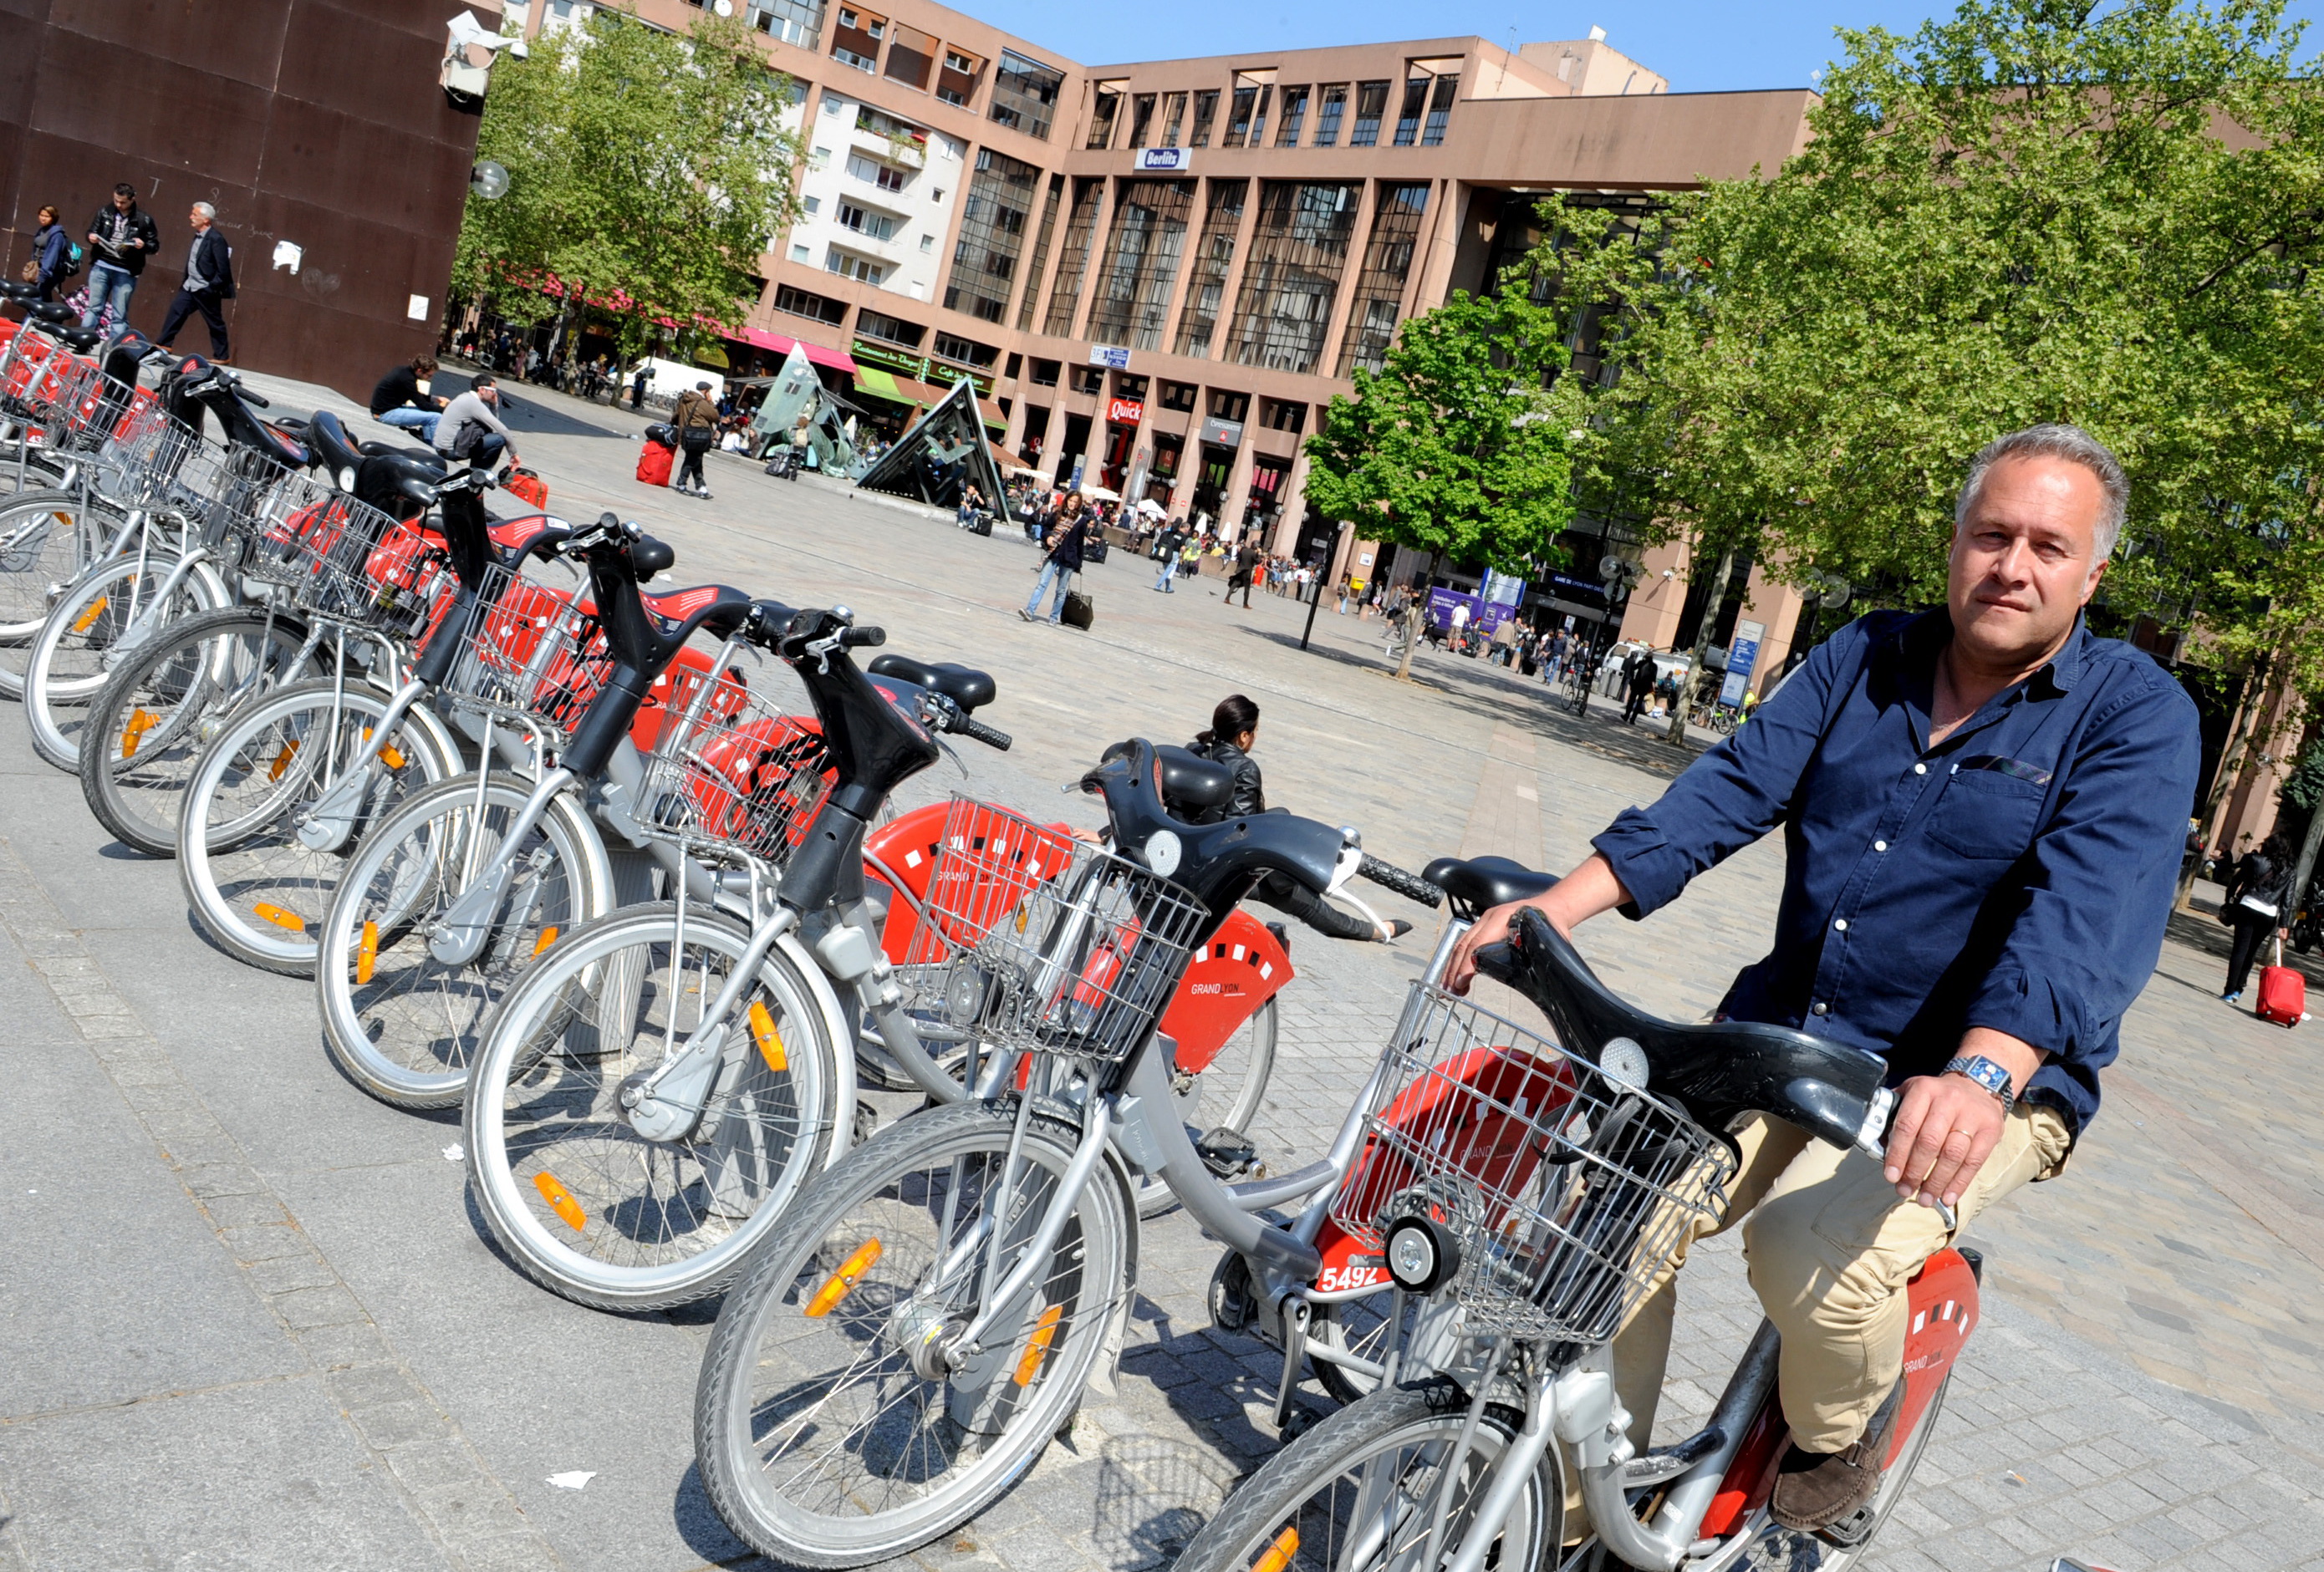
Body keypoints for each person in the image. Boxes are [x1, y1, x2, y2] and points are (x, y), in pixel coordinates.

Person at [1446, 424, 2199, 1532]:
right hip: (1787, 1036)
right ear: (1954, 542)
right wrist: (1548, 910)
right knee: (1603, 1233)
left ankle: (1845, 1438)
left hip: (1981, 1079)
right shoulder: (1864, 656)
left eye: (2049, 545)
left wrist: (1981, 1075)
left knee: (1807, 1255)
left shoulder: (2134, 716)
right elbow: (1722, 793)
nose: (2014, 564)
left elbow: (2082, 922)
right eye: (1993, 534)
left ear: (2093, 573)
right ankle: (1568, 1517)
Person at [1180, 695, 1409, 943]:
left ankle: (1306, 872)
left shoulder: (1194, 751)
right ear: (1244, 736)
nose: (1256, 737)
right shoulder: (1245, 769)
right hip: (1218, 869)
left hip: (1190, 849)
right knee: (1298, 895)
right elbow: (1239, 835)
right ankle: (1368, 930)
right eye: (1255, 731)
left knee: (1282, 817)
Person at [2220, 830, 2294, 1005]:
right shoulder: (2289, 870)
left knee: (2240, 950)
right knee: (2251, 952)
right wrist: (2284, 924)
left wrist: (2229, 901)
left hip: (2248, 907)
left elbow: (2236, 881)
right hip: (2269, 914)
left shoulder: (2254, 860)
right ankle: (2239, 988)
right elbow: (2288, 899)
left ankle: (2229, 991)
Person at [82, 182, 159, 333]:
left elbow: (154, 245)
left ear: (132, 199)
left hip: (126, 270)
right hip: (102, 264)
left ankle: (113, 350)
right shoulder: (105, 212)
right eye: (116, 200)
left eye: (123, 202)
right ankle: (83, 341)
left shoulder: (144, 219)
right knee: (93, 308)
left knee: (119, 314)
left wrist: (142, 245)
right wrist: (91, 237)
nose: (118, 204)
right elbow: (92, 231)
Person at [1021, 493, 1091, 624]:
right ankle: (1030, 611)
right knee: (1042, 583)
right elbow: (1046, 528)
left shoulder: (1081, 520)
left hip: (1069, 557)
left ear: (1079, 503)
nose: (1072, 504)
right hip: (1054, 553)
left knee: (1061, 590)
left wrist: (1078, 564)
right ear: (1066, 500)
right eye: (1071, 500)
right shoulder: (1058, 514)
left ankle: (1053, 617)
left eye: (1076, 502)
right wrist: (1047, 536)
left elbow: (1079, 543)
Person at [433, 374, 519, 473]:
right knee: (499, 439)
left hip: (441, 448)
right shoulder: (474, 404)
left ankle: (477, 470)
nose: (495, 395)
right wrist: (514, 454)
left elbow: (491, 425)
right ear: (482, 390)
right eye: (493, 391)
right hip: (450, 451)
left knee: (487, 433)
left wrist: (493, 404)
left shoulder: (464, 396)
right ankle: (480, 472)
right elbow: (501, 429)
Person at [370, 354, 448, 442]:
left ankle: (426, 438)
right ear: (419, 371)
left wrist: (434, 398)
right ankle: (436, 447)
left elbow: (413, 395)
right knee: (436, 417)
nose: (430, 378)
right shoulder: (407, 380)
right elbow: (423, 405)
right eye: (429, 375)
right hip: (385, 414)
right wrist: (447, 411)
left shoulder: (403, 371)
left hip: (384, 410)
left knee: (431, 412)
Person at [672, 380, 719, 498]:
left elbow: (676, 415)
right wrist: (711, 402)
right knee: (691, 460)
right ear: (706, 391)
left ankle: (701, 488)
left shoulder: (685, 399)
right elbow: (715, 417)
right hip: (698, 436)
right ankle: (681, 484)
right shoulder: (702, 403)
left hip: (686, 434)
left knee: (696, 461)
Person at [24, 206, 74, 301]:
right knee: (43, 298)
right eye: (41, 215)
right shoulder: (42, 230)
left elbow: (52, 257)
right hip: (39, 270)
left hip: (49, 273)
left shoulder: (57, 235)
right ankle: (50, 314)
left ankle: (31, 316)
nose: (43, 218)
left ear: (53, 218)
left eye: (47, 216)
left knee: (36, 300)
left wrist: (43, 276)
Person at [1622, 646, 1658, 725]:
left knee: (1632, 701)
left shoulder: (1641, 663)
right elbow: (1653, 679)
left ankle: (1627, 715)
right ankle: (1633, 719)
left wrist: (1632, 679)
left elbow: (1632, 668)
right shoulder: (1654, 666)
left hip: (1637, 684)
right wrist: (1653, 688)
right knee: (1639, 702)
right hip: (1645, 687)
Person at [1226, 540, 1258, 608]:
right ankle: (1245, 604)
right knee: (1247, 589)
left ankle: (1227, 598)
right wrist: (1258, 553)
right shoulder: (1253, 553)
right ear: (1255, 546)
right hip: (1247, 572)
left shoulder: (1244, 550)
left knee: (1234, 584)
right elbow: (1258, 561)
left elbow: (1239, 559)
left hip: (1240, 570)